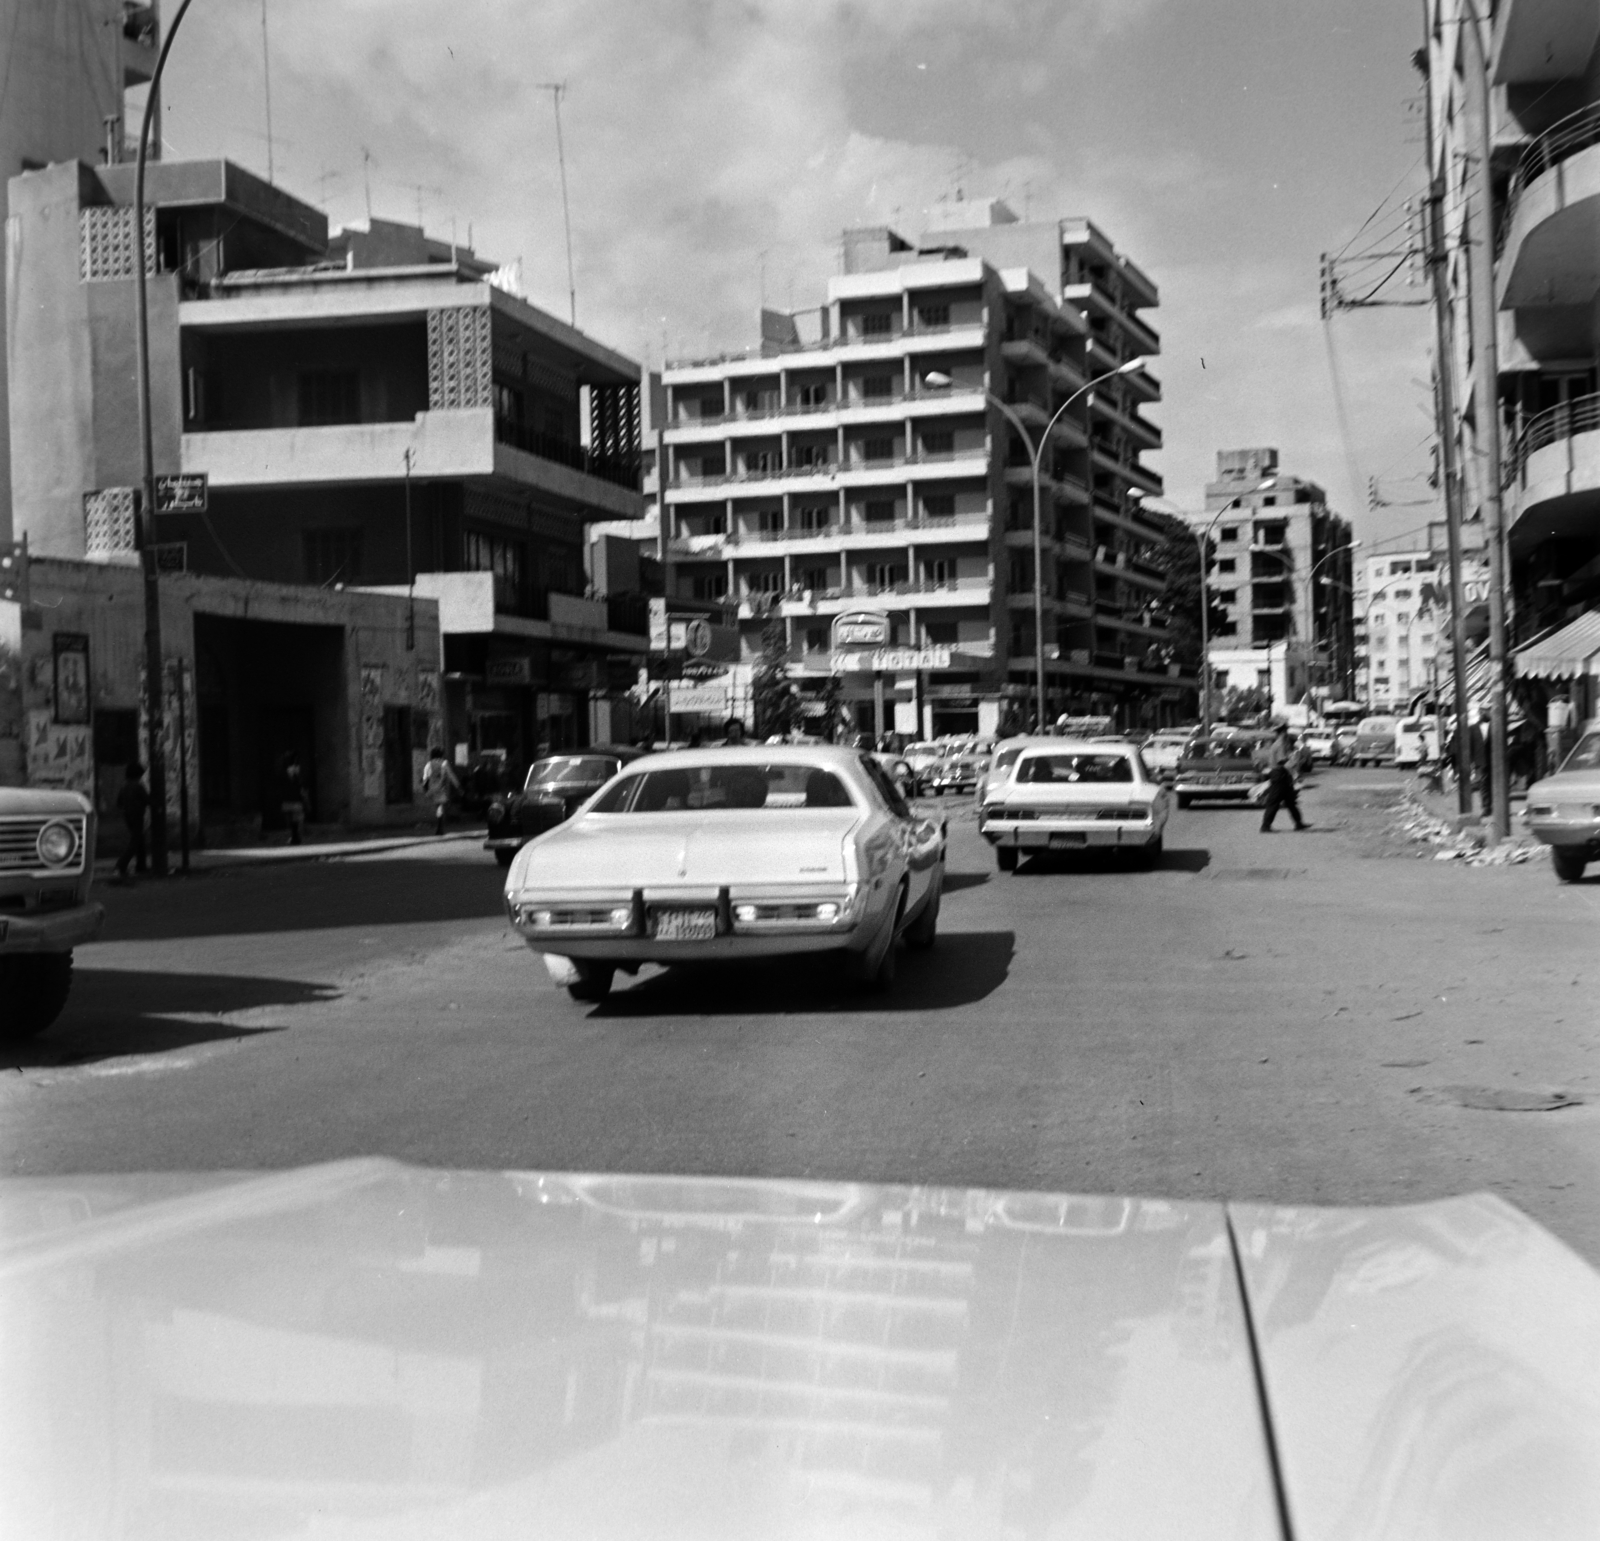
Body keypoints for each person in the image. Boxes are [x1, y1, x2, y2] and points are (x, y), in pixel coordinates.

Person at [1259, 724, 1307, 833]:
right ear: (1282, 732)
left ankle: (1299, 823)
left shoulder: (1279, 742)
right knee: (1274, 801)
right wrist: (1294, 766)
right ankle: (1265, 826)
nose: (1287, 733)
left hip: (1281, 774)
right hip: (1279, 774)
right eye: (1285, 731)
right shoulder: (1281, 743)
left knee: (1290, 801)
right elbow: (1282, 760)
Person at [113, 761, 150, 881]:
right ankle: (121, 865)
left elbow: (119, 803)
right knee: (135, 842)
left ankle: (141, 866)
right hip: (137, 815)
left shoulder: (124, 785)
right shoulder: (138, 786)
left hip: (128, 816)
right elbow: (147, 800)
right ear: (137, 774)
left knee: (139, 841)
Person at [420, 746, 460, 835]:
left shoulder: (429, 764)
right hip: (441, 787)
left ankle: (439, 824)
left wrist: (425, 788)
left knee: (438, 806)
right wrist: (458, 786)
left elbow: (425, 777)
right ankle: (440, 826)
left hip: (432, 787)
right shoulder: (444, 763)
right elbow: (451, 775)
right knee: (440, 806)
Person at [279, 751, 308, 846]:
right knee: (295, 820)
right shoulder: (295, 770)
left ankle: (294, 837)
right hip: (294, 799)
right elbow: (300, 784)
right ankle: (295, 837)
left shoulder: (284, 771)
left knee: (292, 820)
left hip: (289, 799)